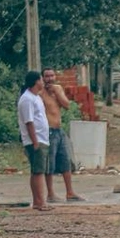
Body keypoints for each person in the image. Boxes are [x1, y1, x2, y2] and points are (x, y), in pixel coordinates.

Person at [41, 68, 83, 203]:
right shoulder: (39, 92)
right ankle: (50, 193)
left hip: (59, 131)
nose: (50, 79)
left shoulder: (58, 89)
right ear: (42, 78)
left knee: (66, 161)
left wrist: (57, 93)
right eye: (47, 76)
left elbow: (67, 105)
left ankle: (70, 192)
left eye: (52, 76)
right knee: (50, 164)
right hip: (48, 131)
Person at [18, 71, 52, 211]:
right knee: (38, 172)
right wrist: (35, 141)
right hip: (35, 140)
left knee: (38, 171)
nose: (43, 82)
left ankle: (38, 201)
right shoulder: (27, 99)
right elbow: (29, 122)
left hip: (42, 138)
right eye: (41, 79)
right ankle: (40, 202)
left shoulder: (36, 97)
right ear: (36, 81)